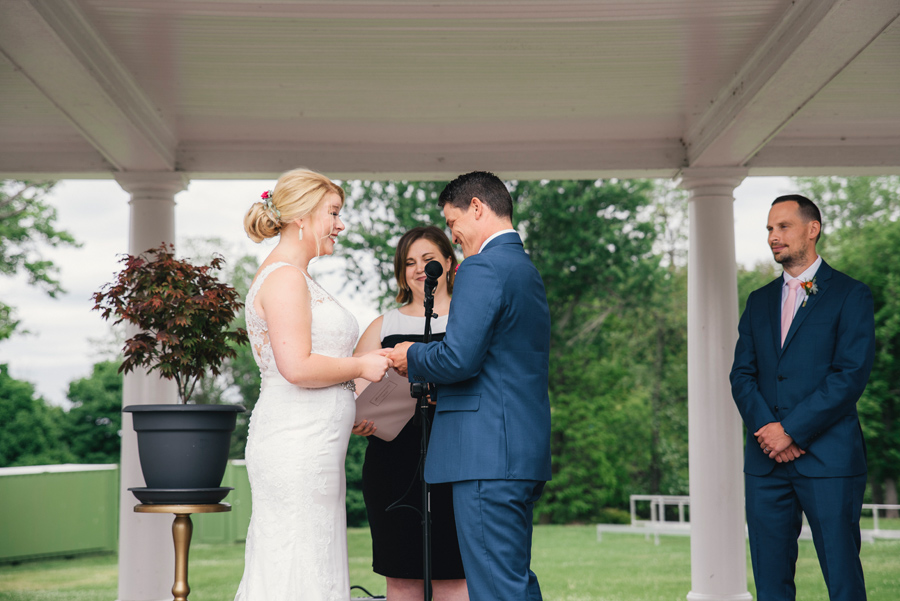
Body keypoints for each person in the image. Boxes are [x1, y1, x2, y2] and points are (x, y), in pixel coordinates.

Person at [388, 171, 551, 601]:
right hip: (517, 450)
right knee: (513, 580)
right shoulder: (524, 269)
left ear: (476, 207)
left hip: (486, 456)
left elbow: (459, 358)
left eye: (452, 220)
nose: (453, 233)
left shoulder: (482, 267)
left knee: (496, 589)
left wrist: (412, 356)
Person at [235, 168, 393, 601]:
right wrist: (361, 364)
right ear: (301, 216)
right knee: (294, 564)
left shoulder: (295, 276)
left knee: (312, 562)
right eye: (334, 213)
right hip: (296, 446)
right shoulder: (284, 277)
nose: (340, 224)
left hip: (313, 445)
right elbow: (298, 367)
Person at [730, 194, 875, 601]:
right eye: (769, 230)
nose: (774, 237)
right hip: (765, 464)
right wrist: (768, 431)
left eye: (783, 227)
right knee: (770, 583)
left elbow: (849, 376)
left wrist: (790, 431)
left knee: (843, 580)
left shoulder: (851, 294)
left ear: (813, 230)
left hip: (830, 460)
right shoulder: (758, 301)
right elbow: (742, 374)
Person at [353, 225, 468, 601]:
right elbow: (351, 390)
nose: (420, 269)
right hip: (393, 463)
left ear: (449, 263)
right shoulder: (384, 325)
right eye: (409, 263)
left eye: (429, 260)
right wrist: (357, 421)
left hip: (458, 459)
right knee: (401, 576)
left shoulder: (470, 320)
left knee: (456, 575)